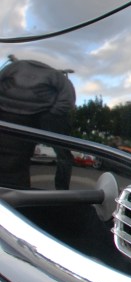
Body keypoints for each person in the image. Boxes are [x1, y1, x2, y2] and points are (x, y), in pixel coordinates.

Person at [0, 57, 76, 190]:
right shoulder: (57, 77)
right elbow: (68, 98)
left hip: (31, 114)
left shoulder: (13, 68)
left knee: (62, 154)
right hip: (29, 114)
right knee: (63, 155)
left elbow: (67, 98)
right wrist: (52, 114)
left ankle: (61, 191)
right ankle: (62, 192)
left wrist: (49, 115)